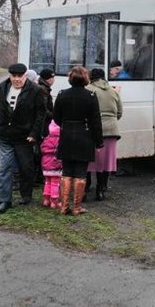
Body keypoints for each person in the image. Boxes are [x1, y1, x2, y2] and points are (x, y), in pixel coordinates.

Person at [0, 63, 46, 214]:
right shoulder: (2, 87)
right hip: (5, 135)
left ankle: (26, 194)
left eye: (19, 76)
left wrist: (34, 134)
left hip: (24, 137)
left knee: (26, 167)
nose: (16, 79)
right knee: (5, 167)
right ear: (10, 76)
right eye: (13, 76)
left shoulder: (35, 90)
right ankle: (4, 200)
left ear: (25, 76)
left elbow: (40, 114)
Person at [52, 66, 103, 215]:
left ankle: (64, 206)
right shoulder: (91, 96)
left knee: (66, 171)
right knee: (80, 172)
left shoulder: (62, 95)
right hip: (84, 136)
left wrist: (66, 125)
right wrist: (99, 141)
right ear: (85, 78)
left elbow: (56, 117)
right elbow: (96, 121)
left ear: (71, 78)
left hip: (66, 135)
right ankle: (76, 207)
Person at [86, 68, 123, 201]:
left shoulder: (89, 89)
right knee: (106, 162)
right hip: (112, 130)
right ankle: (101, 189)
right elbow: (119, 112)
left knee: (89, 160)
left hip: (93, 130)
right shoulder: (113, 91)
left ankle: (86, 185)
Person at [40, 120, 63, 209]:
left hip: (45, 165)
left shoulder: (47, 138)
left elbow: (42, 148)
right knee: (55, 183)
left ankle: (46, 200)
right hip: (55, 165)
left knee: (47, 182)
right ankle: (54, 201)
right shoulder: (60, 140)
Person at [38, 68, 56, 136]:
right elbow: (43, 108)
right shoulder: (43, 90)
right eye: (52, 78)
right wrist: (53, 115)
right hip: (43, 123)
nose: (54, 80)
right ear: (48, 79)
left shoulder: (44, 88)